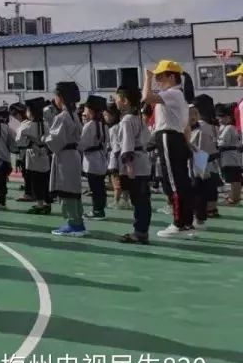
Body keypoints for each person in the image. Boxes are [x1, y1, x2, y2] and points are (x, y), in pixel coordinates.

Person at [142, 60, 194, 239]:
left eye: (160, 76)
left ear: (172, 76)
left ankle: (179, 223)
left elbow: (146, 98)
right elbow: (186, 127)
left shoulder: (171, 93)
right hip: (176, 138)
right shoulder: (180, 96)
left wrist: (147, 79)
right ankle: (186, 222)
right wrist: (187, 144)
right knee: (181, 180)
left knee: (172, 181)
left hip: (167, 137)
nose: (157, 79)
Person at [47, 82, 85, 237]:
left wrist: (45, 138)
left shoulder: (62, 116)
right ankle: (77, 221)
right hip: (73, 154)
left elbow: (54, 139)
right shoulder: (74, 114)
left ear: (61, 98)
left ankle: (73, 224)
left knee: (66, 189)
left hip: (65, 156)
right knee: (74, 190)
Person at [116, 85, 152, 243]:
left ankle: (139, 232)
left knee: (139, 200)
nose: (116, 101)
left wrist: (129, 166)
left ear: (124, 101)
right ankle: (142, 230)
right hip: (143, 160)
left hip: (135, 163)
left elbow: (127, 144)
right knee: (143, 199)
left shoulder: (127, 120)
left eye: (117, 98)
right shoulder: (139, 118)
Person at [190, 94, 220, 226]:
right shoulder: (213, 125)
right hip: (213, 158)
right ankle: (212, 209)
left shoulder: (199, 125)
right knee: (212, 185)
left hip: (201, 159)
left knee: (198, 187)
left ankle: (200, 213)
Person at [18, 98, 51, 214]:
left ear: (30, 112)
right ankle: (47, 203)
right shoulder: (45, 124)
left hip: (33, 155)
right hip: (44, 155)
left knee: (36, 181)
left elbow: (19, 141)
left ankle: (40, 205)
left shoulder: (26, 126)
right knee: (45, 180)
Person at [80, 95, 109, 219]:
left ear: (91, 111)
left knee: (94, 187)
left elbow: (81, 144)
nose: (84, 112)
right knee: (100, 186)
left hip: (91, 159)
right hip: (101, 158)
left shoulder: (89, 125)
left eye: (85, 110)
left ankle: (97, 211)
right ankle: (100, 209)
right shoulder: (104, 124)